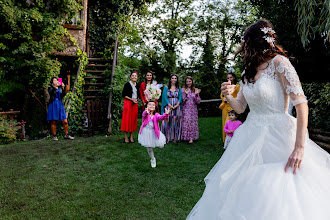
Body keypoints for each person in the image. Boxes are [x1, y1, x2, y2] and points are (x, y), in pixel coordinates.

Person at [187, 19, 330, 220]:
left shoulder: (279, 63)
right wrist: (227, 95)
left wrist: (299, 147)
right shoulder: (248, 71)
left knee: (279, 188)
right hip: (250, 136)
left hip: (279, 136)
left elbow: (301, 105)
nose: (242, 47)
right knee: (246, 189)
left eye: (245, 42)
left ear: (254, 41)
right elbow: (240, 107)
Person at [138, 101, 171, 168]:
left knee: (161, 146)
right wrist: (146, 111)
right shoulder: (145, 114)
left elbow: (161, 118)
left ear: (155, 107)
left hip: (154, 132)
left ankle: (159, 146)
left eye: (153, 105)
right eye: (149, 104)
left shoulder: (156, 115)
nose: (151, 106)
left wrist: (166, 114)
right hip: (146, 132)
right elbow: (144, 115)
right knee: (149, 147)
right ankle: (153, 159)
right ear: (146, 106)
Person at [161, 74, 183, 143]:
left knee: (176, 121)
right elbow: (164, 97)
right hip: (168, 106)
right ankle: (166, 138)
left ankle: (175, 138)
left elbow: (180, 97)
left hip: (177, 106)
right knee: (167, 121)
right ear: (170, 79)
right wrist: (169, 105)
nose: (174, 79)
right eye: (172, 78)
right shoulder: (166, 88)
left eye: (175, 78)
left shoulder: (178, 88)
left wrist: (177, 105)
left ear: (177, 80)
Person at [219, 73, 240, 143]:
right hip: (225, 107)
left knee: (230, 123)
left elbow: (239, 96)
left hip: (232, 107)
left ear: (234, 78)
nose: (229, 79)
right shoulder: (225, 86)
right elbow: (222, 95)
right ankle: (225, 140)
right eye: (228, 78)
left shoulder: (237, 86)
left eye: (231, 77)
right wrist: (224, 99)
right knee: (225, 124)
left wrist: (231, 99)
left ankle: (233, 141)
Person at [121, 71, 140, 143]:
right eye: (133, 76)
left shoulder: (137, 85)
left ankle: (131, 136)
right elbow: (124, 95)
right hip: (128, 103)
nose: (134, 77)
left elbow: (138, 95)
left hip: (134, 104)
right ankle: (126, 136)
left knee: (133, 119)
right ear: (130, 77)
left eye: (135, 76)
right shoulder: (127, 84)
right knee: (127, 119)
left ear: (137, 78)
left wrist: (136, 99)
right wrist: (132, 99)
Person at [181, 76, 201, 143]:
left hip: (193, 109)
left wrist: (197, 94)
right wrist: (186, 95)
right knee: (186, 122)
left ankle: (191, 138)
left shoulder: (195, 90)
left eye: (189, 81)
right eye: (187, 81)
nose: (188, 83)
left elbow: (198, 101)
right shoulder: (183, 90)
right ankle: (185, 137)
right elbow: (182, 101)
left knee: (192, 123)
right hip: (186, 108)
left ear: (192, 82)